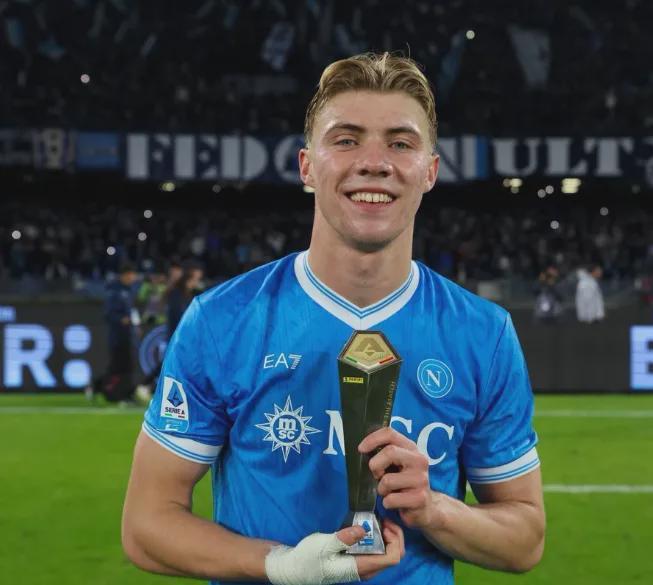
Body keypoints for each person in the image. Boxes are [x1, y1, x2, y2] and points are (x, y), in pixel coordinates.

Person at [122, 52, 545, 585]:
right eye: (346, 140)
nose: (374, 162)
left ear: (430, 171)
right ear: (307, 166)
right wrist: (280, 565)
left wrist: (435, 509)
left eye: (401, 143)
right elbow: (146, 524)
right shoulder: (223, 320)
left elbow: (525, 540)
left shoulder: (484, 335)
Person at [101, 262, 139, 402]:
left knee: (127, 367)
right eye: (131, 275)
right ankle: (111, 392)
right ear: (124, 275)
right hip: (118, 337)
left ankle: (126, 394)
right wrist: (121, 319)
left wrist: (135, 327)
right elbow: (108, 314)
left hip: (128, 335)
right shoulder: (114, 291)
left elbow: (130, 312)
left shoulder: (129, 290)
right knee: (119, 368)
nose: (133, 278)